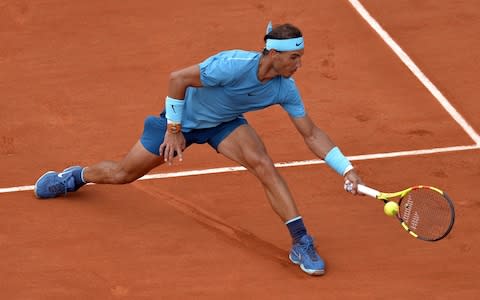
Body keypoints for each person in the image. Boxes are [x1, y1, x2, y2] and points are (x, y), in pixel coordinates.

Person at [34, 22, 363, 276]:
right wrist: (174, 130)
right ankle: (75, 177)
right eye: (295, 57)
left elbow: (311, 134)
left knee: (263, 164)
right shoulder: (232, 65)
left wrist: (345, 167)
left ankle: (301, 241)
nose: (299, 64)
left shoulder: (284, 89)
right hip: (181, 119)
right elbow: (177, 79)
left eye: (300, 58)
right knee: (123, 174)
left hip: (224, 124)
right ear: (274, 54)